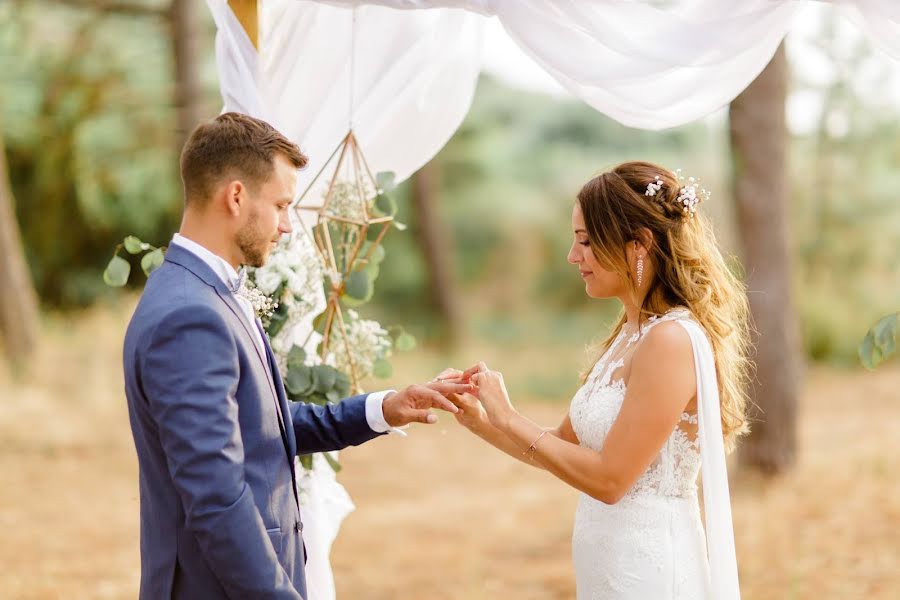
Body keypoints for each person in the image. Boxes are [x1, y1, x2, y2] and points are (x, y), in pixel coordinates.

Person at [122, 112, 471, 599]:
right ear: (237, 196)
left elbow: (266, 425)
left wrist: (385, 407)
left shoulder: (205, 292)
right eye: (282, 205)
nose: (288, 226)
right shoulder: (189, 315)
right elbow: (217, 498)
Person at [448, 161, 751, 599]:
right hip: (609, 567)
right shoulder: (630, 334)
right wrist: (479, 418)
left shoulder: (670, 340)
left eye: (586, 242)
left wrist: (510, 417)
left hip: (650, 571)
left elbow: (611, 480)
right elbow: (561, 449)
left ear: (638, 244)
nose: (574, 257)